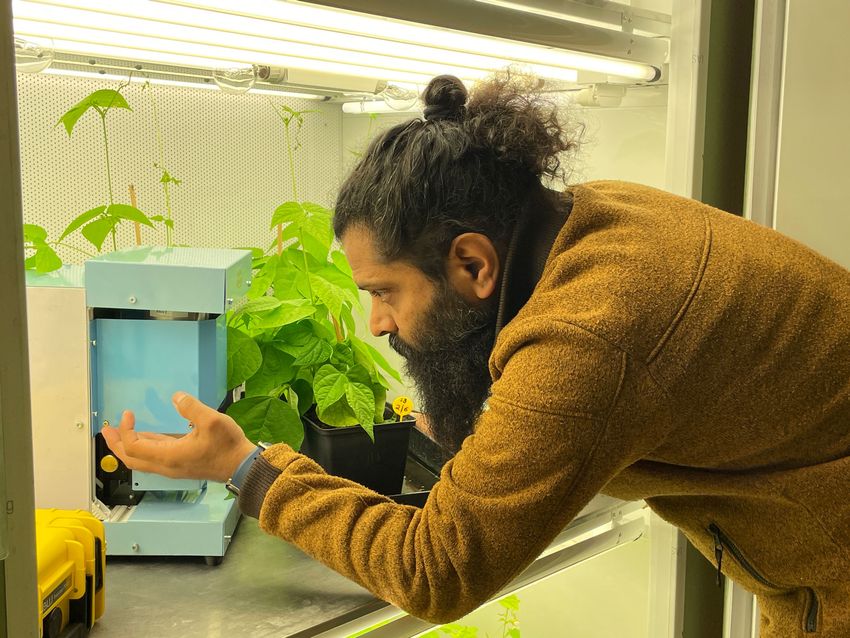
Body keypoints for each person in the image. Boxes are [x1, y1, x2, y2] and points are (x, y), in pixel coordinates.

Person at [103, 71, 850, 637]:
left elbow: (436, 571)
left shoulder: (592, 333)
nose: (374, 323)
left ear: (472, 265)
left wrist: (246, 468)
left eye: (384, 291)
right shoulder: (599, 219)